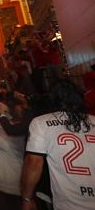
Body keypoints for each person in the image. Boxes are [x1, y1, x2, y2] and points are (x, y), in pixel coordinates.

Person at [21, 80, 95, 210]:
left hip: (70, 203)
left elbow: (33, 163)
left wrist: (27, 198)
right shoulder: (93, 120)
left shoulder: (41, 123)